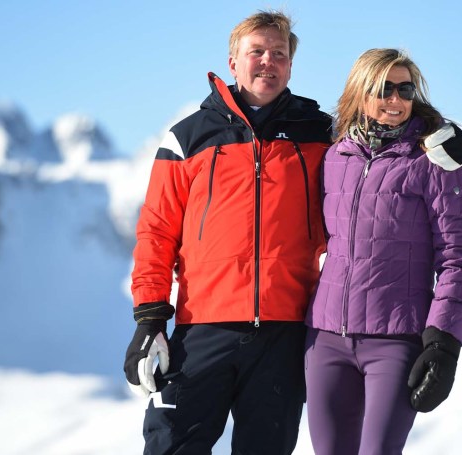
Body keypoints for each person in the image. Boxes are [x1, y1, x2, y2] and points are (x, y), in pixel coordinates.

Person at [123, 10, 332, 454]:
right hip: (202, 331)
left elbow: (387, 134)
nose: (267, 61)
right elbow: (157, 232)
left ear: (290, 66)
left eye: (279, 54)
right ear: (233, 62)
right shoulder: (188, 138)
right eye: (256, 51)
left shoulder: (321, 135)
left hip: (284, 333)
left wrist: (433, 127)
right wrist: (150, 320)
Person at [304, 48, 462, 455]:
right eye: (384, 89)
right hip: (326, 338)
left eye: (405, 89)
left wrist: (444, 341)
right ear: (360, 93)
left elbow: (459, 256)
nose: (397, 100)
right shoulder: (335, 157)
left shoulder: (435, 161)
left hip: (395, 341)